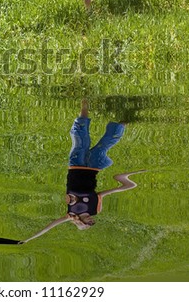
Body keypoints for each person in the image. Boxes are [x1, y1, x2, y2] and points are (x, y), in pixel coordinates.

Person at [20, 99, 145, 243]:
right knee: (106, 144)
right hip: (94, 167)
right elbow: (103, 193)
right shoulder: (95, 210)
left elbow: (48, 227)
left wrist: (28, 239)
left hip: (76, 165)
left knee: (80, 138)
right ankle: (126, 120)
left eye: (88, 223)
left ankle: (85, 103)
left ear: (80, 222)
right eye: (92, 223)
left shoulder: (71, 213)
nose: (91, 221)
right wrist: (123, 183)